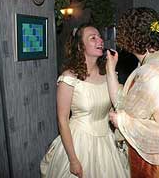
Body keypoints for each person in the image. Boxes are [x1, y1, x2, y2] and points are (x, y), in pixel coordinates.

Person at [106, 7, 159, 178]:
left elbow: (122, 106)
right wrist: (111, 68)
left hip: (157, 165)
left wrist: (119, 119)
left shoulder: (150, 72)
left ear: (129, 39)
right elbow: (132, 99)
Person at [40, 24, 129, 178]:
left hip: (106, 141)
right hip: (78, 142)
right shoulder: (69, 77)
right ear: (81, 47)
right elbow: (62, 120)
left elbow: (114, 106)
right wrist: (73, 160)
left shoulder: (108, 74)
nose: (100, 40)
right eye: (92, 38)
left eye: (99, 37)